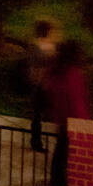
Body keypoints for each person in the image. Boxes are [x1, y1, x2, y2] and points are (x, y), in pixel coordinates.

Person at [46, 40, 90, 186]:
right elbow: (76, 98)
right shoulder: (71, 74)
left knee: (62, 148)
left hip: (64, 117)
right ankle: (59, 177)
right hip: (71, 118)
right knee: (64, 149)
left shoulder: (59, 72)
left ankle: (59, 176)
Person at [25, 19, 60, 153]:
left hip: (48, 85)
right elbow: (33, 68)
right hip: (40, 86)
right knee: (38, 116)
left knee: (43, 115)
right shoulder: (36, 48)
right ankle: (36, 142)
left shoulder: (49, 46)